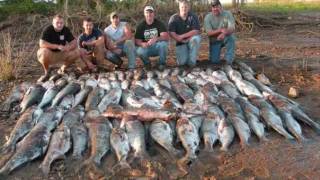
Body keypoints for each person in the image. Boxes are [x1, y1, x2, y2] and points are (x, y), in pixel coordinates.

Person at [37, 14, 87, 80]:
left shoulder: (65, 29)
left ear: (63, 23)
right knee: (43, 52)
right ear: (53, 23)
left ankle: (62, 69)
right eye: (57, 23)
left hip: (62, 53)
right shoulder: (48, 29)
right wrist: (56, 46)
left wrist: (68, 47)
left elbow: (74, 42)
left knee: (77, 52)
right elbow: (41, 44)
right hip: (50, 54)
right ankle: (47, 71)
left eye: (61, 23)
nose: (59, 25)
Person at [168, 0, 201, 68]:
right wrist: (179, 39)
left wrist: (183, 36)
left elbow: (196, 31)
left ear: (188, 8)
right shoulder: (173, 18)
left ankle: (192, 63)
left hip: (191, 39)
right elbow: (171, 33)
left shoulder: (193, 16)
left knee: (195, 39)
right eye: (182, 7)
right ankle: (187, 55)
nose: (184, 9)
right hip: (180, 42)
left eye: (186, 7)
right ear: (179, 7)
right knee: (182, 63)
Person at [135, 5, 169, 70]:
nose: (149, 14)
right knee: (139, 51)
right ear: (144, 14)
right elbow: (137, 41)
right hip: (147, 48)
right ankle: (147, 64)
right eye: (147, 12)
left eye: (151, 12)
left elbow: (166, 37)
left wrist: (156, 39)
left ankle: (161, 64)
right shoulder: (140, 26)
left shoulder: (159, 23)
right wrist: (142, 44)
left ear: (154, 14)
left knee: (163, 44)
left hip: (157, 47)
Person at [204, 0, 236, 64]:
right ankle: (216, 58)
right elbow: (209, 33)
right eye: (213, 7)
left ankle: (228, 61)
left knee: (231, 38)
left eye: (217, 7)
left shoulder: (227, 14)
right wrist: (220, 30)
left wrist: (224, 33)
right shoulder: (207, 17)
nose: (215, 9)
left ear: (221, 7)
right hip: (214, 40)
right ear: (211, 8)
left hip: (225, 37)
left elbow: (232, 28)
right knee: (214, 61)